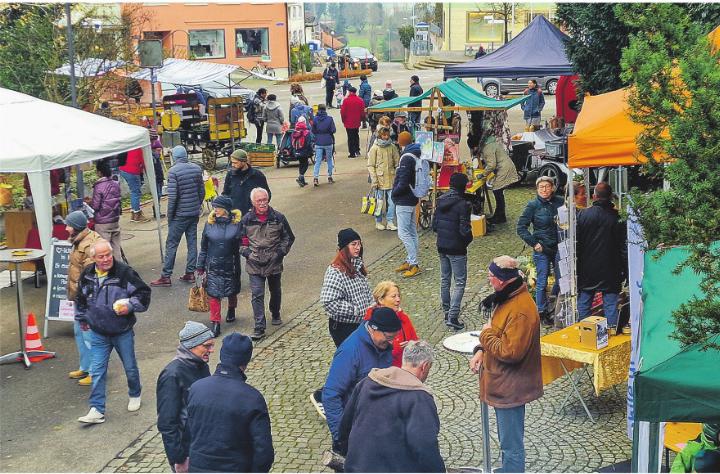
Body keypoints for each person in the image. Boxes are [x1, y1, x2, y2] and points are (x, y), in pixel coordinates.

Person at [470, 256, 543, 473]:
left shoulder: (520, 310)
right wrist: (481, 351)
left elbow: (510, 351)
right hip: (505, 385)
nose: (489, 280)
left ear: (502, 280)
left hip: (511, 389)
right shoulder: (508, 297)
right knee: (507, 443)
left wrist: (484, 336)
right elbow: (498, 332)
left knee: (511, 446)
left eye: (491, 276)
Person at [337, 340, 444, 473]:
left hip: (357, 466)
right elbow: (424, 446)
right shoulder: (419, 398)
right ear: (425, 366)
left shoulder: (366, 383)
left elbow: (345, 427)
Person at [76, 240, 151, 424]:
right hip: (98, 332)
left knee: (130, 367)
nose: (106, 259)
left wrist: (130, 306)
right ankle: (97, 409)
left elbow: (143, 293)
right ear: (93, 258)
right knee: (98, 370)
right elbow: (80, 299)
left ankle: (135, 393)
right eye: (101, 256)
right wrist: (82, 319)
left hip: (122, 330)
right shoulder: (87, 274)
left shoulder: (125, 272)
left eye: (108, 254)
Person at [186, 333, 274, 472]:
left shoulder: (196, 388)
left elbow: (188, 433)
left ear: (222, 355)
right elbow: (263, 450)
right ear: (246, 360)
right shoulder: (252, 398)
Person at [323, 307, 400, 455]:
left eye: (394, 337)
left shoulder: (383, 345)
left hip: (376, 428)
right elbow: (331, 395)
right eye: (389, 337)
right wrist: (341, 436)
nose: (391, 342)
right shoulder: (350, 351)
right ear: (373, 329)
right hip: (354, 431)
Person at [156, 322, 214, 473]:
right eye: (206, 346)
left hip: (202, 445)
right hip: (187, 453)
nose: (211, 350)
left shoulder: (201, 365)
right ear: (192, 345)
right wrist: (178, 459)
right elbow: (167, 423)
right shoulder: (171, 375)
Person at [240, 188, 295, 340]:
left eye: (265, 199)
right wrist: (248, 254)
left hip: (274, 262)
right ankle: (259, 326)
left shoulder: (278, 217)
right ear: (253, 202)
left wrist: (279, 254)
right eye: (259, 201)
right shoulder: (246, 220)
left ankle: (275, 312)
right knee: (257, 294)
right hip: (254, 263)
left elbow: (288, 238)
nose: (263, 203)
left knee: (275, 291)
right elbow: (241, 242)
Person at [151, 146, 205, 287]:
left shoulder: (173, 172)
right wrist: (196, 205)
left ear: (174, 157)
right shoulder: (196, 168)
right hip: (193, 213)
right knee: (192, 242)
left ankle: (166, 275)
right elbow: (202, 191)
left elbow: (173, 198)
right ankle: (190, 273)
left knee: (172, 244)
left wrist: (170, 216)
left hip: (180, 215)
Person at [576, 182, 627, 326]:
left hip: (587, 267)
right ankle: (611, 333)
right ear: (611, 197)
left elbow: (577, 243)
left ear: (594, 196)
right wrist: (626, 270)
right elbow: (623, 247)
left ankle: (585, 331)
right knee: (610, 305)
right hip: (611, 268)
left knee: (584, 302)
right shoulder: (618, 217)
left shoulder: (583, 215)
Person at [516, 176, 564, 325]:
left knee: (561, 279)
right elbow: (521, 227)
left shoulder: (560, 202)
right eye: (541, 187)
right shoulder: (533, 205)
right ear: (537, 189)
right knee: (541, 281)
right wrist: (534, 243)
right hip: (542, 248)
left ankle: (554, 303)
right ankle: (541, 311)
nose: (544, 189)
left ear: (552, 188)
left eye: (547, 186)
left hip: (559, 246)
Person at [65, 210, 102, 387]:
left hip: (86, 299)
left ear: (76, 227)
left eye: (69, 225)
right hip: (80, 298)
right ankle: (85, 367)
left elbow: (90, 275)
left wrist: (86, 298)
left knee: (89, 336)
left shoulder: (88, 245)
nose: (66, 228)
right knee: (80, 333)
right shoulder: (79, 239)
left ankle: (96, 371)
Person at [197, 196, 242, 337]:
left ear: (226, 210)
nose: (215, 210)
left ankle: (231, 308)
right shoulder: (209, 224)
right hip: (213, 265)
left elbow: (243, 244)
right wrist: (200, 266)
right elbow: (204, 247)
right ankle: (215, 322)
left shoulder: (237, 224)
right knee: (213, 293)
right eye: (215, 207)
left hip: (231, 264)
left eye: (218, 207)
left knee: (232, 289)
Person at [432, 172, 473, 330]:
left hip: (442, 245)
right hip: (457, 248)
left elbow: (434, 226)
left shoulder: (441, 200)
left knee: (445, 279)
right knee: (460, 282)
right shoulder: (463, 204)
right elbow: (465, 230)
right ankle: (453, 316)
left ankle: (446, 310)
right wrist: (467, 241)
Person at [320, 228, 374, 347]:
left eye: (359, 244)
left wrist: (372, 307)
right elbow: (328, 302)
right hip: (344, 327)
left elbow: (366, 292)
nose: (358, 247)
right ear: (344, 248)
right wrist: (357, 310)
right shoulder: (335, 271)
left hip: (361, 324)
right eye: (353, 244)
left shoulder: (357, 265)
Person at [363, 281, 418, 367]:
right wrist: (395, 349)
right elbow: (370, 355)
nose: (398, 300)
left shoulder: (403, 318)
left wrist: (411, 346)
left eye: (398, 296)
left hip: (405, 370)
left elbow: (416, 342)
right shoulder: (371, 323)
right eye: (393, 296)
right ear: (381, 300)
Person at [480, 111, 519, 224]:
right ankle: (500, 215)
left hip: (505, 169)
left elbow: (491, 165)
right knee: (498, 192)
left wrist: (483, 174)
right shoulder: (492, 143)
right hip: (505, 167)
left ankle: (500, 216)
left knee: (497, 191)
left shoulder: (488, 146)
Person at [392, 141, 422, 278]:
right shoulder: (416, 155)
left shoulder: (406, 158)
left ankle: (413, 263)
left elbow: (403, 181)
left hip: (403, 200)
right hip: (412, 198)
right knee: (411, 231)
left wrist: (394, 193)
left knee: (403, 233)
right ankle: (411, 260)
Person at [367, 125, 399, 231]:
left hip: (391, 178)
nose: (386, 137)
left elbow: (397, 162)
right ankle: (378, 221)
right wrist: (374, 179)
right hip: (379, 180)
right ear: (380, 135)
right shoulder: (374, 148)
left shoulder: (392, 147)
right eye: (384, 135)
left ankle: (390, 221)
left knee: (392, 201)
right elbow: (371, 165)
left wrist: (396, 175)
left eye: (387, 135)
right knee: (379, 202)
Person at [222, 149, 271, 215]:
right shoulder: (230, 175)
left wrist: (258, 209)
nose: (233, 165)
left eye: (235, 163)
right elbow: (225, 194)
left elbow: (267, 195)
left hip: (253, 216)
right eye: (232, 162)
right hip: (235, 216)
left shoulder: (257, 175)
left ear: (244, 162)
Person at [90, 161, 122, 261]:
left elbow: (95, 206)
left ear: (99, 172)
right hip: (115, 221)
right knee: (116, 249)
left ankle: (108, 273)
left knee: (104, 251)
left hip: (102, 223)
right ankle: (120, 271)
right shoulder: (116, 183)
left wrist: (89, 202)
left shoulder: (98, 186)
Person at [119, 148, 150, 222]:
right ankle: (137, 213)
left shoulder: (132, 144)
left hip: (124, 169)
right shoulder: (140, 147)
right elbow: (143, 160)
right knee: (136, 192)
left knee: (134, 191)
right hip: (132, 170)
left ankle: (133, 212)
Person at [312, 103, 336, 186]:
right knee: (329, 159)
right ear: (325, 110)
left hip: (318, 141)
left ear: (318, 110)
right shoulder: (329, 119)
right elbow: (333, 130)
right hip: (328, 141)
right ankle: (329, 176)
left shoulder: (315, 119)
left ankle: (315, 178)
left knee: (318, 161)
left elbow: (313, 130)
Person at [340, 86, 365, 159]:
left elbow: (343, 113)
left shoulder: (346, 101)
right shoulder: (360, 100)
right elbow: (362, 112)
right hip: (357, 122)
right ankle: (357, 150)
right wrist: (361, 120)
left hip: (348, 122)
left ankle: (352, 153)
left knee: (350, 137)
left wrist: (343, 121)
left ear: (350, 92)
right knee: (356, 136)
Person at [291, 120, 314, 187]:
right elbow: (308, 143)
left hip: (297, 151)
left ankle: (302, 180)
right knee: (305, 164)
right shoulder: (306, 133)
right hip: (304, 151)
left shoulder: (294, 133)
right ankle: (300, 177)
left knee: (301, 164)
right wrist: (311, 151)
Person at [151, 137, 166, 219]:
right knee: (157, 195)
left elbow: (160, 169)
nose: (160, 152)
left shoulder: (157, 158)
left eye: (160, 150)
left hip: (159, 178)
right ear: (153, 150)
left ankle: (157, 212)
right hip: (155, 179)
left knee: (159, 195)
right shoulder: (153, 158)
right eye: (158, 150)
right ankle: (156, 212)